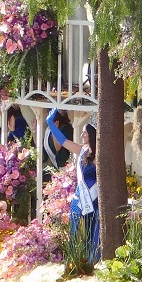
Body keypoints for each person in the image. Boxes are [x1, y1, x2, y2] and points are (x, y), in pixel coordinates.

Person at [46, 110, 100, 263]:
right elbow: (63, 141)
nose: (82, 136)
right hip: (79, 198)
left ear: (91, 135)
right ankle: (75, 261)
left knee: (89, 231)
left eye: (85, 133)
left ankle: (89, 262)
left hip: (92, 199)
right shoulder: (82, 150)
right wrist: (50, 124)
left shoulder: (98, 156)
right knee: (75, 227)